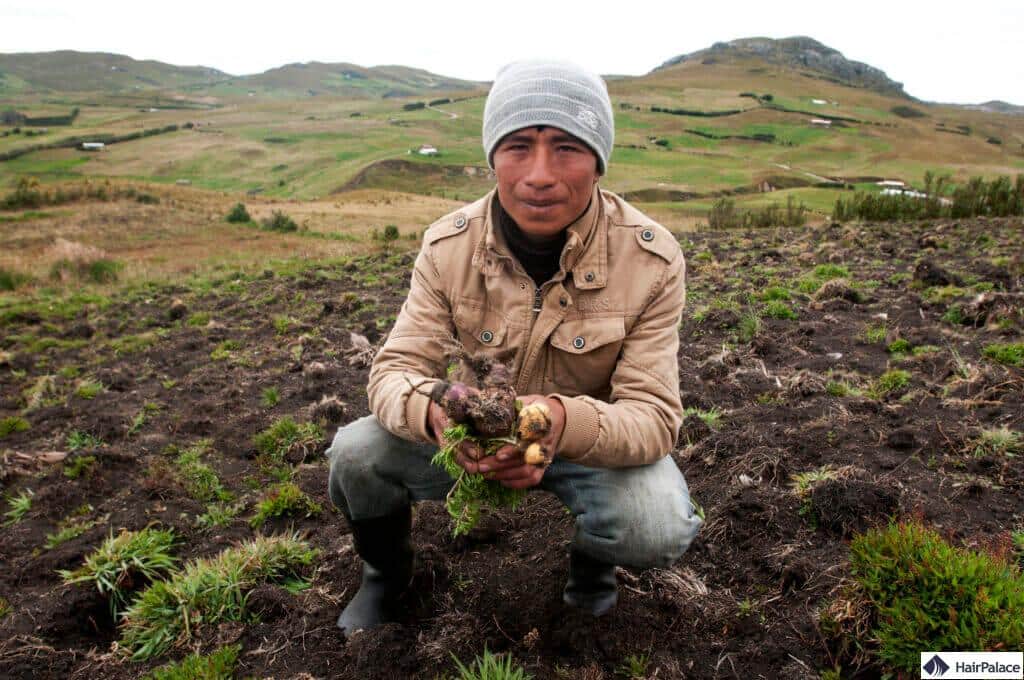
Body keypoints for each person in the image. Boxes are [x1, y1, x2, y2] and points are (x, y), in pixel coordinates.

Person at [326, 59, 702, 635]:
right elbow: (395, 369)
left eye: (568, 147)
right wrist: (436, 417)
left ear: (599, 159)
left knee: (655, 523)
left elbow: (653, 417)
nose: (541, 174)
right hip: (466, 438)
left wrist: (556, 422)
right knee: (355, 453)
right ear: (493, 155)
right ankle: (386, 574)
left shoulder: (650, 259)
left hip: (582, 442)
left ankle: (591, 575)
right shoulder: (448, 246)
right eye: (519, 146)